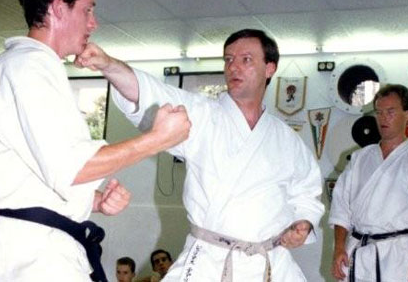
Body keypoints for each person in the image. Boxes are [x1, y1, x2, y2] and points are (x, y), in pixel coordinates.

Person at [0, 0, 190, 282]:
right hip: (38, 256)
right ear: (59, 8)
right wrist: (157, 139)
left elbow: (38, 172)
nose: (93, 22)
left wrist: (93, 201)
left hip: (39, 247)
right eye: (87, 9)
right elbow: (72, 167)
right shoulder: (27, 67)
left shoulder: (19, 68)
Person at [75, 29, 325, 281]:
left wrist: (303, 223)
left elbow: (307, 191)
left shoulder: (287, 140)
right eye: (228, 59)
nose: (234, 67)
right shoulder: (203, 115)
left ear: (269, 68)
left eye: (246, 60)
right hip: (210, 261)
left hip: (271, 263)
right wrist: (108, 65)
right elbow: (152, 94)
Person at [329, 84, 408, 282]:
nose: (383, 118)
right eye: (379, 112)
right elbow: (340, 209)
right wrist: (339, 248)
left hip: (398, 258)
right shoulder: (359, 158)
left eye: (390, 112)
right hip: (357, 253)